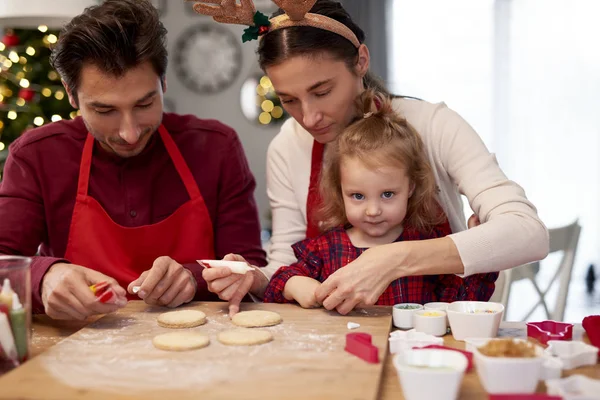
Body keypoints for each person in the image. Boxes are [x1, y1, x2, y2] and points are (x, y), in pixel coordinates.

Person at [195, 0, 548, 315]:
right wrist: (254, 278)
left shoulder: (433, 124)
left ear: (360, 60)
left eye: (322, 91)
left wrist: (391, 260)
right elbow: (288, 264)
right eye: (289, 100)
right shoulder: (287, 147)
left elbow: (528, 232)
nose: (309, 117)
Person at [0, 0, 266, 321]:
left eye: (145, 103)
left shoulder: (216, 147)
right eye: (105, 110)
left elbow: (248, 266)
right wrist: (43, 277)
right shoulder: (36, 155)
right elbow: (3, 261)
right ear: (72, 96)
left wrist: (193, 277)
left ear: (163, 83)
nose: (129, 133)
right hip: (79, 350)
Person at [263, 90, 497, 307]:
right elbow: (276, 283)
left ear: (411, 188)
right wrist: (294, 284)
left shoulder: (425, 246)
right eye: (357, 196)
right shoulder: (325, 249)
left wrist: (479, 250)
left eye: (387, 194)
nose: (373, 210)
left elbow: (462, 301)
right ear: (340, 192)